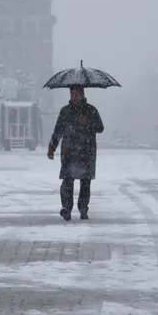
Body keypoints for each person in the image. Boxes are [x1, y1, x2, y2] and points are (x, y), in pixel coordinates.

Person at [47, 85, 104, 221]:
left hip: (86, 151)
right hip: (69, 152)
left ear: (82, 95)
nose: (73, 97)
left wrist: (88, 122)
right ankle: (66, 208)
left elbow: (100, 128)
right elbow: (58, 130)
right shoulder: (65, 111)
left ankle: (83, 209)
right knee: (67, 181)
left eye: (76, 94)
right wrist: (52, 147)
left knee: (85, 182)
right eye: (72, 94)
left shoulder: (91, 110)